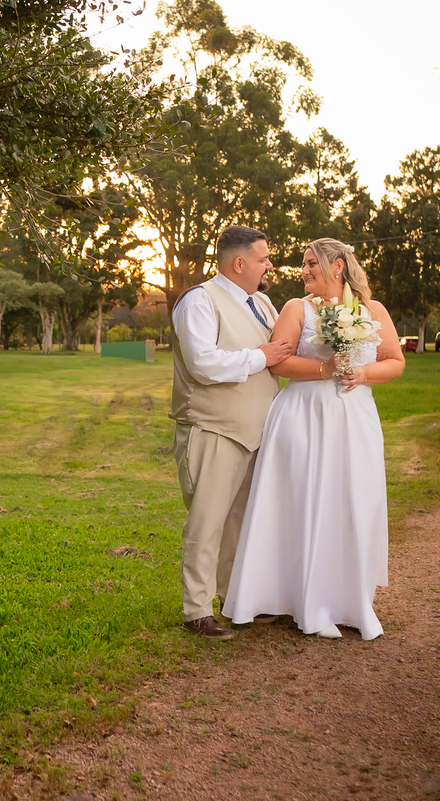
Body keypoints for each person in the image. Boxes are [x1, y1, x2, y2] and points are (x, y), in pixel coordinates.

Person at [222, 237, 406, 640]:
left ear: (337, 266)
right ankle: (306, 603)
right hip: (303, 417)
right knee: (305, 503)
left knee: (353, 504)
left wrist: (363, 373)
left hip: (355, 419)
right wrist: (325, 369)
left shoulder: (373, 310)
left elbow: (395, 361)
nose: (303, 271)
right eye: (302, 264)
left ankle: (351, 603)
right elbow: (278, 363)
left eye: (310, 263)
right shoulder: (296, 309)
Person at [169, 225, 294, 641]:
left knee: (240, 522)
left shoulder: (262, 302)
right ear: (239, 263)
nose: (269, 265)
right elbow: (203, 363)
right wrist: (260, 356)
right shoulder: (199, 301)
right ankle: (197, 611)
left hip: (257, 430)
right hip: (213, 428)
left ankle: (235, 599)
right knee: (207, 522)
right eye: (263, 258)